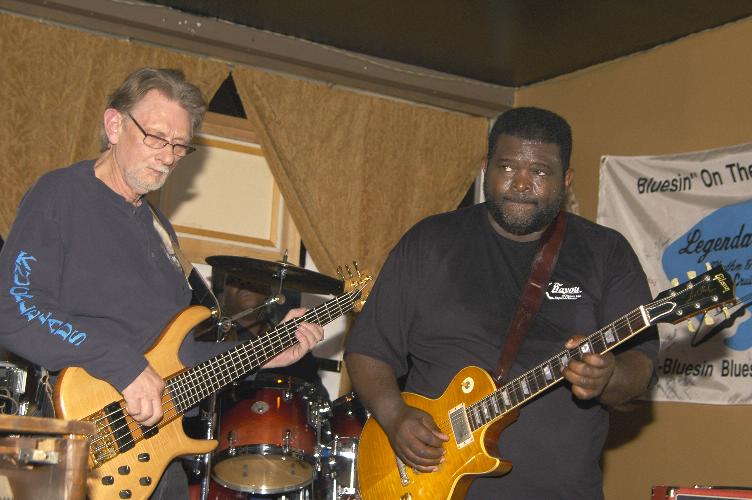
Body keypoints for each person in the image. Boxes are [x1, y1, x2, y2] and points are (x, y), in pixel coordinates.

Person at [0, 67, 324, 498]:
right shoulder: (61, 194)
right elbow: (14, 309)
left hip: (155, 454)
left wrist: (266, 353)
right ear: (114, 125)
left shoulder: (160, 230)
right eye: (156, 137)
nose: (169, 156)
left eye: (179, 145)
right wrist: (123, 364)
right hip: (81, 444)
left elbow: (181, 358)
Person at [344, 107, 658, 499]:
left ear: (566, 181)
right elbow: (368, 351)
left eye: (540, 171)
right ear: (485, 168)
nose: (521, 183)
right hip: (429, 486)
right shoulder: (429, 242)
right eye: (508, 167)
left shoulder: (606, 253)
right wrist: (394, 416)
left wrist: (607, 376)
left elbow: (640, 367)